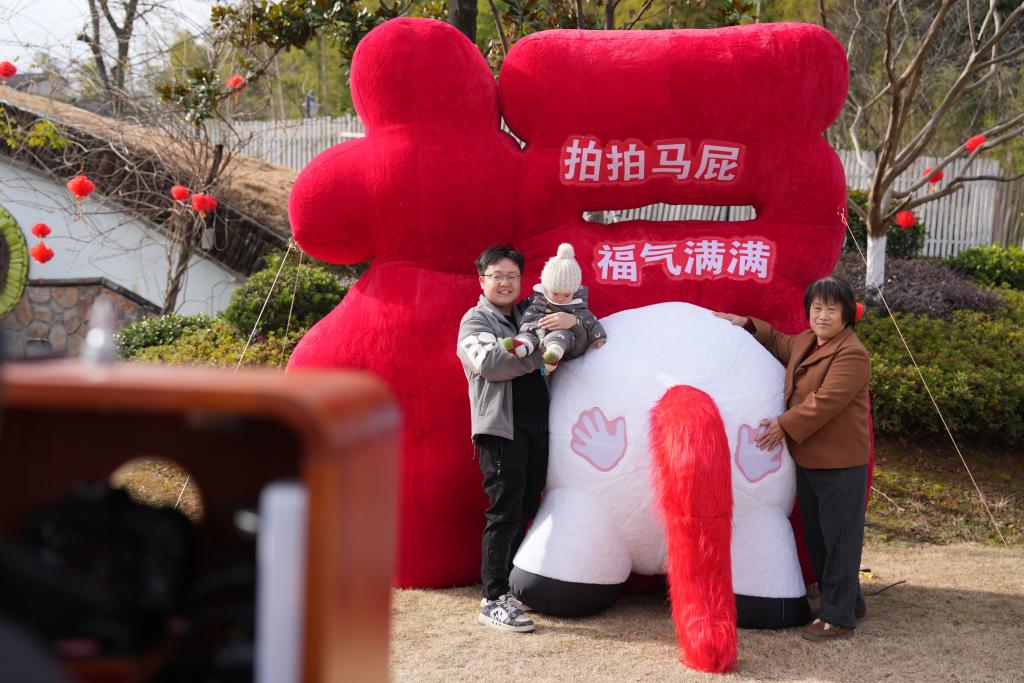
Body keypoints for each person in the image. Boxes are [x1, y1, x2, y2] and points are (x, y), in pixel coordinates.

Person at [715, 276, 870, 642]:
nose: (823, 315)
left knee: (840, 541)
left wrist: (783, 425)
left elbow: (825, 402)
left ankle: (838, 619)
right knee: (818, 539)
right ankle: (851, 602)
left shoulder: (851, 354)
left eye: (831, 309)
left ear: (846, 315)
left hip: (841, 462)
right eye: (817, 308)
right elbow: (780, 342)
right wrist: (748, 324)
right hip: (811, 458)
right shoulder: (806, 342)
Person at [456, 244, 577, 633]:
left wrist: (571, 326)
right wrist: (542, 351)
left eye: (511, 276)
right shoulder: (475, 321)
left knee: (526, 507)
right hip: (500, 429)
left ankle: (508, 588)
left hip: (536, 428)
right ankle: (492, 598)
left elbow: (572, 341)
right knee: (504, 511)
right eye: (497, 276)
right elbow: (491, 364)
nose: (505, 283)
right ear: (482, 281)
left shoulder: (531, 313)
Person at [500, 243, 607, 373]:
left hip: (560, 335)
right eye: (555, 293)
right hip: (534, 328)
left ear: (574, 292)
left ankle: (553, 355)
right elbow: (520, 307)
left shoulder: (577, 307)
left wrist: (598, 337)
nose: (561, 298)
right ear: (546, 288)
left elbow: (591, 322)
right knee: (527, 335)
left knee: (560, 336)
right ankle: (522, 346)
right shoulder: (536, 299)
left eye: (567, 295)